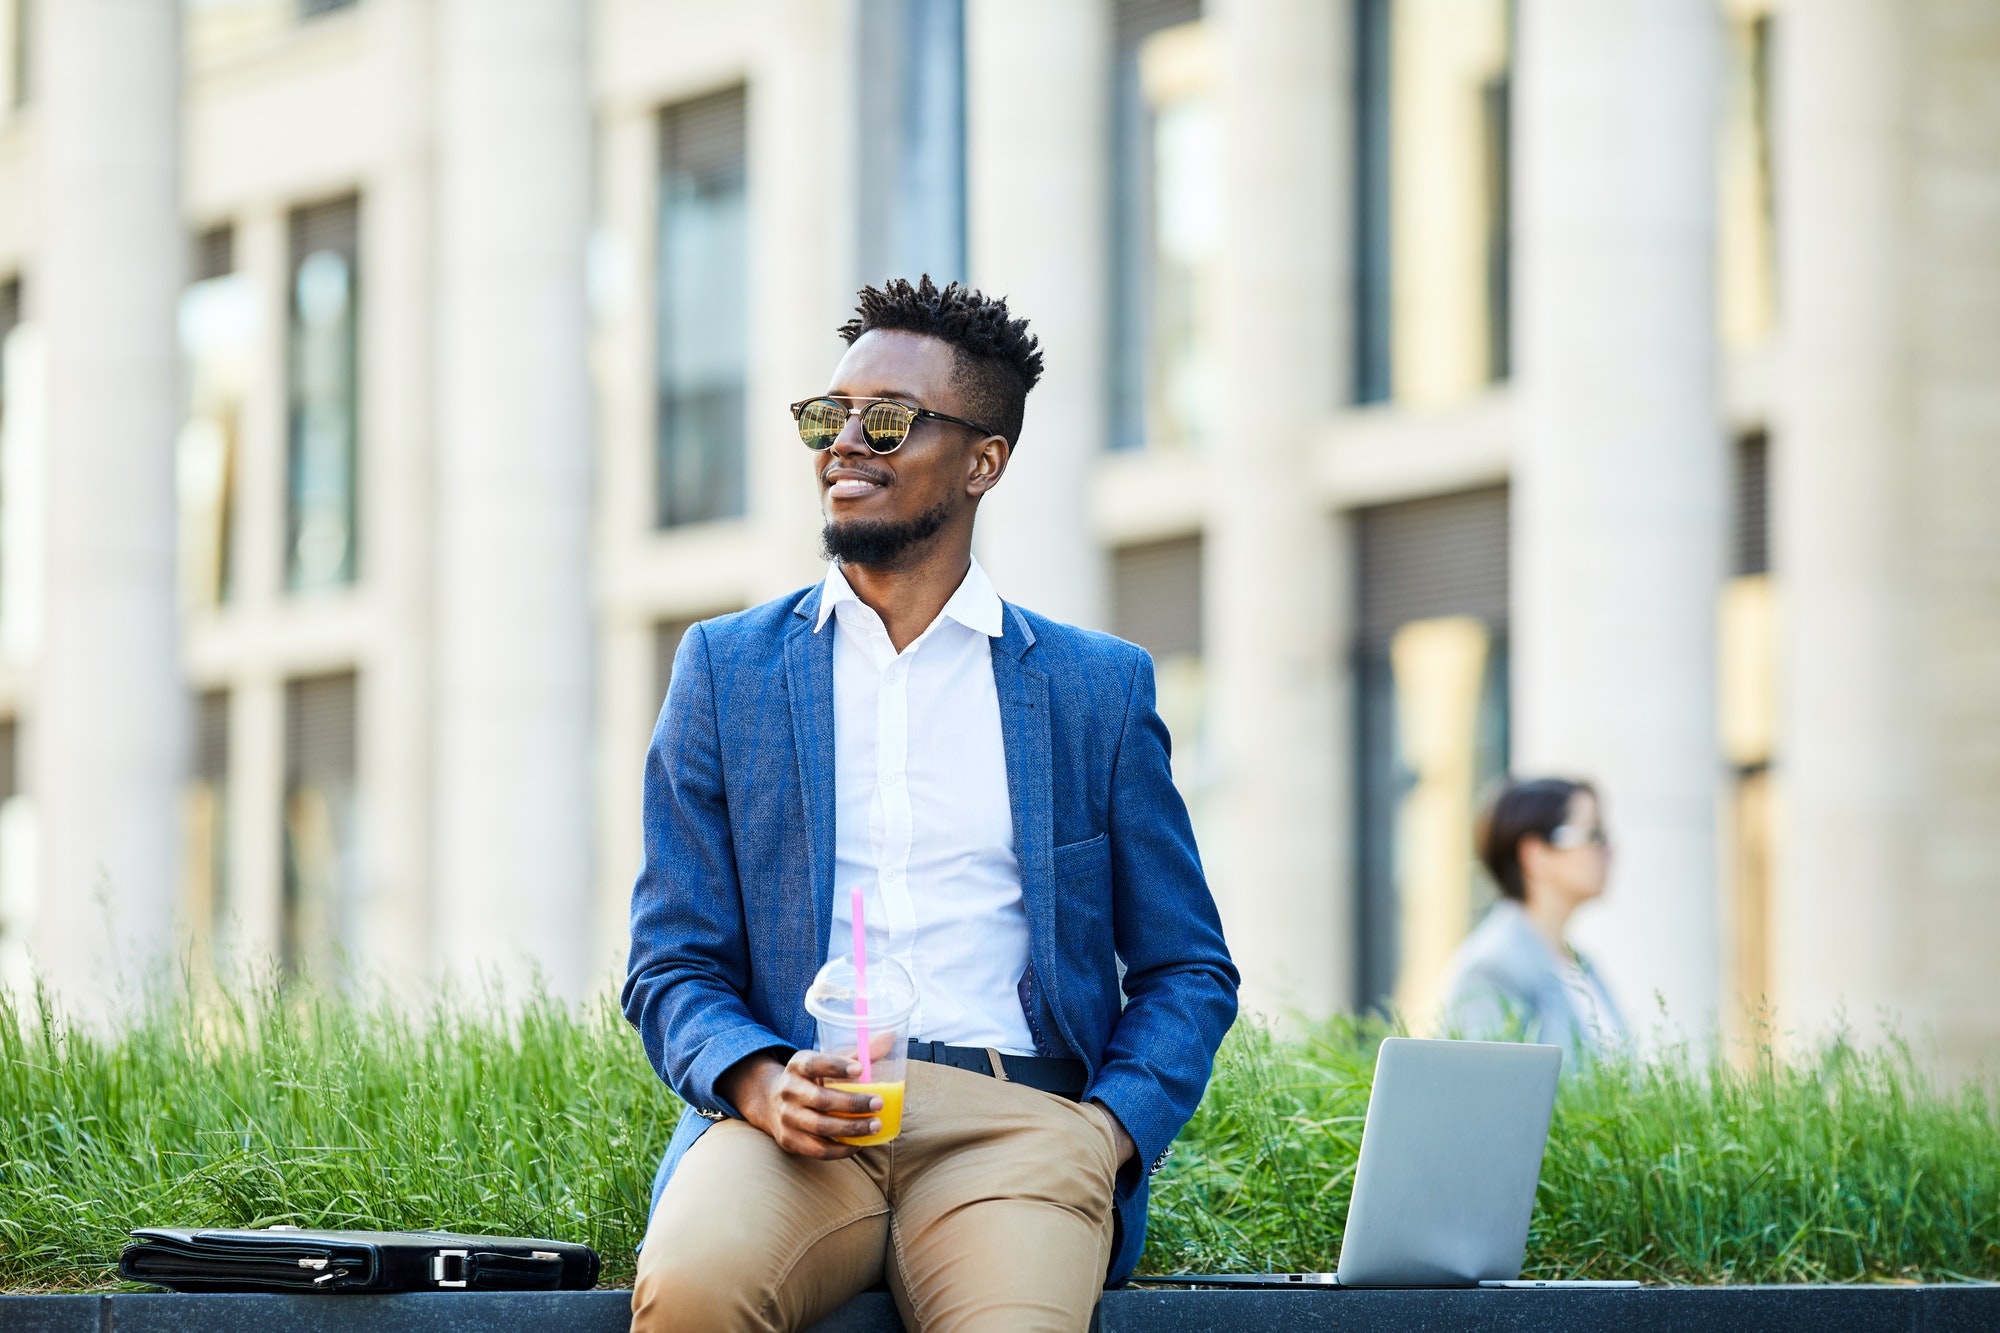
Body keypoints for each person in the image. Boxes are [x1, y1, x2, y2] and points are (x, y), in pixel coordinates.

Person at [622, 277, 1239, 1333]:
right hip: (794, 1127)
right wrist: (758, 1079)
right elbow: (669, 960)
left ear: (982, 459)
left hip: (1018, 1124)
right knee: (690, 1295)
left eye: (887, 420)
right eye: (829, 416)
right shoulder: (725, 670)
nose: (844, 444)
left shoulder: (1096, 687)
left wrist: (1106, 1130)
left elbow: (1187, 966)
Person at [1441, 777, 1626, 1059]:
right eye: (1593, 835)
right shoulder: (1493, 969)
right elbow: (1490, 1092)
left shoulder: (1582, 965)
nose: (1609, 850)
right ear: (1536, 854)